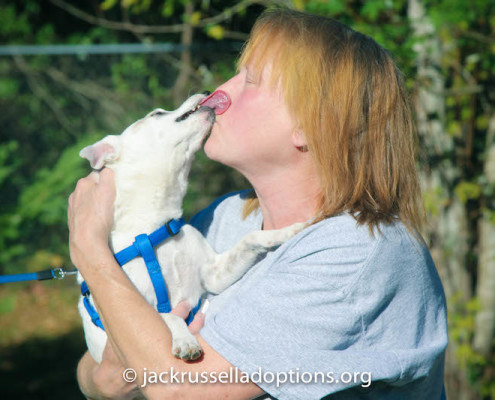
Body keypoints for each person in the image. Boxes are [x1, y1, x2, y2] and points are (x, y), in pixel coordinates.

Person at [69, 8, 448, 400]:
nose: (221, 92)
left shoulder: (360, 254)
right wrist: (99, 381)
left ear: (311, 125)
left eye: (250, 80)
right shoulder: (223, 218)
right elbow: (101, 362)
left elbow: (181, 389)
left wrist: (89, 249)